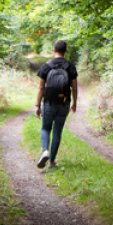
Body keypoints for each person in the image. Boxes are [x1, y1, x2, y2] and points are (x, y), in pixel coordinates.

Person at [35, 40, 78, 169]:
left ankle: (44, 151)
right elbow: (75, 88)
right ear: (65, 51)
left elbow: (41, 88)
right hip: (64, 103)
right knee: (57, 131)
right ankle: (52, 162)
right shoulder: (70, 67)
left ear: (54, 49)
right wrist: (75, 103)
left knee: (45, 128)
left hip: (49, 102)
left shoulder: (47, 66)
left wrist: (37, 105)